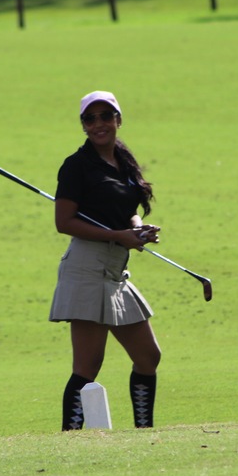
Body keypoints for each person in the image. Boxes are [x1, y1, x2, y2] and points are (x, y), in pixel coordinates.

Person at [50, 91, 162, 431]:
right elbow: (64, 222)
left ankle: (145, 432)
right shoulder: (76, 166)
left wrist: (138, 229)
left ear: (118, 119)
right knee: (87, 367)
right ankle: (70, 439)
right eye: (90, 118)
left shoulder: (123, 161)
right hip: (87, 267)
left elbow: (126, 212)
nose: (98, 123)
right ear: (84, 125)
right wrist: (118, 235)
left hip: (115, 270)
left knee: (148, 356)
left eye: (105, 116)